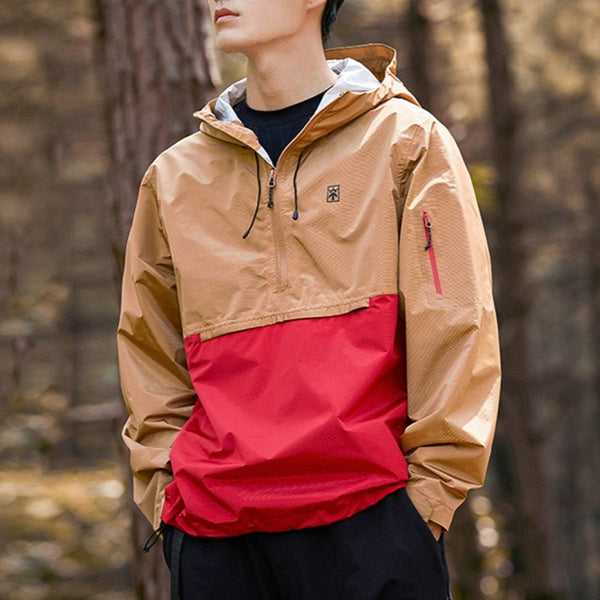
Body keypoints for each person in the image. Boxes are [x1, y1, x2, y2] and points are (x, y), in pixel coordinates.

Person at [117, 0, 501, 598]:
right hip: (218, 535)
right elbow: (149, 351)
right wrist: (169, 497)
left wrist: (429, 499)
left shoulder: (407, 142)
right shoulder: (173, 177)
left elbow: (456, 325)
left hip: (375, 525)